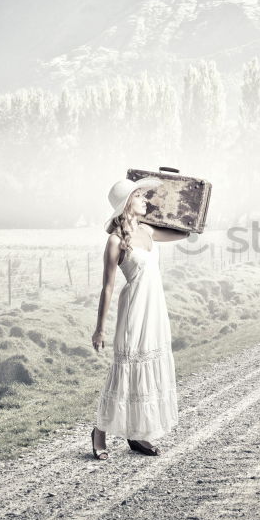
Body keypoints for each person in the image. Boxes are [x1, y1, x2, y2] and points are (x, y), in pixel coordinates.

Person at [90, 177, 190, 460]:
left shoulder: (148, 231)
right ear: (127, 203)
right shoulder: (115, 241)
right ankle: (100, 431)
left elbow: (184, 234)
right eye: (140, 196)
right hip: (134, 309)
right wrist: (99, 330)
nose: (146, 200)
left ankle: (137, 435)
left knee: (147, 370)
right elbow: (107, 287)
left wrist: (181, 201)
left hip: (155, 308)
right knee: (127, 369)